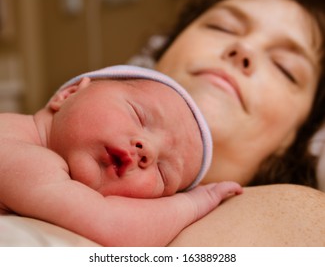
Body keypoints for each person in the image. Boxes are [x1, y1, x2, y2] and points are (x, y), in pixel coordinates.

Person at [145, 0, 325, 245]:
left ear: (293, 138)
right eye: (222, 27)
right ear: (162, 54)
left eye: (285, 68)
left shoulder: (306, 223)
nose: (244, 48)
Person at [0, 65, 242, 247]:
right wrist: (194, 203)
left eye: (163, 173)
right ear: (68, 94)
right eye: (139, 116)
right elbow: (112, 226)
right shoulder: (25, 157)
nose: (148, 150)